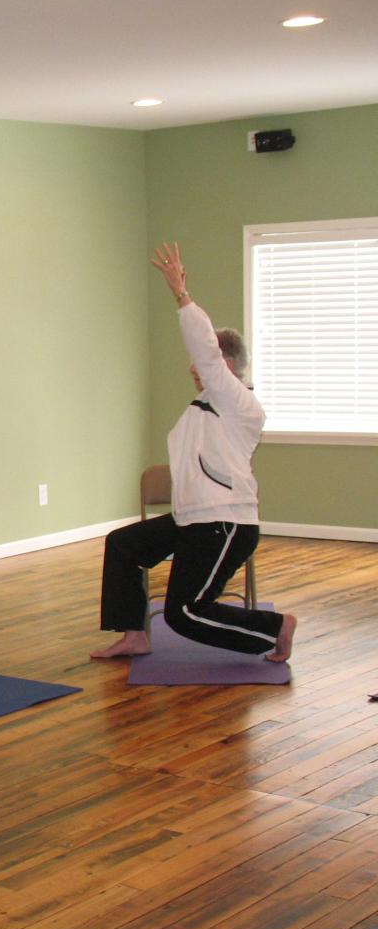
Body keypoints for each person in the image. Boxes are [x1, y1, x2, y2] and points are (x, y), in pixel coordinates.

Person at [91, 243, 297, 662]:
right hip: (193, 518)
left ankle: (275, 629)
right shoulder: (206, 406)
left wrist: (181, 294)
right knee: (123, 545)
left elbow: (203, 349)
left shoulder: (237, 401)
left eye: (203, 362)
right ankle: (135, 635)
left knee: (183, 614)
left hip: (224, 522)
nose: (192, 367)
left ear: (223, 365)